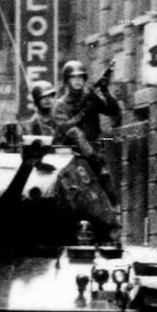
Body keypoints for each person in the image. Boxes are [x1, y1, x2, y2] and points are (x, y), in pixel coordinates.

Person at [54, 60, 122, 205]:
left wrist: (105, 92)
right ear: (66, 81)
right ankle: (97, 165)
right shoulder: (60, 105)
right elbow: (64, 128)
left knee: (111, 194)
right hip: (72, 154)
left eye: (80, 77)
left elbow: (113, 111)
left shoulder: (90, 97)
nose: (78, 81)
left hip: (94, 149)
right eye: (74, 77)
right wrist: (81, 113)